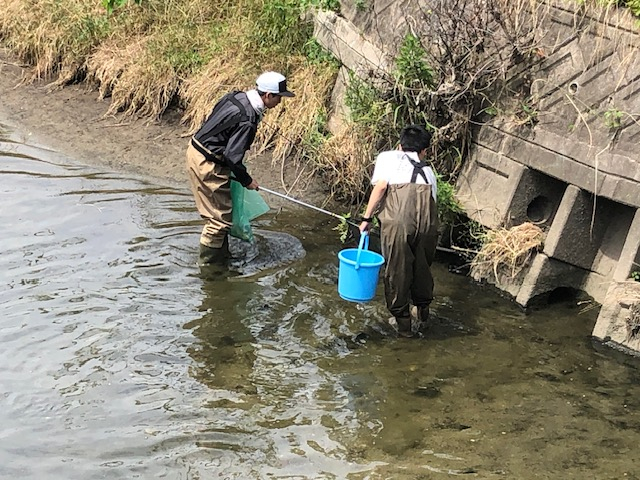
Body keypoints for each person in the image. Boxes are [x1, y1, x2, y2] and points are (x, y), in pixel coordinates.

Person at [186, 71, 295, 266]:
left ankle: (221, 258)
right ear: (268, 95)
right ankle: (209, 270)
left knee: (222, 214)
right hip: (208, 163)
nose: (280, 102)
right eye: (279, 97)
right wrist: (247, 181)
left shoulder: (236, 96)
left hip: (197, 149)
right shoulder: (248, 120)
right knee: (218, 222)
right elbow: (232, 157)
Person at [359, 125, 439, 337]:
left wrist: (367, 218)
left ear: (399, 145)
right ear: (424, 151)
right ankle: (423, 316)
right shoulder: (429, 172)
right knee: (422, 268)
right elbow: (433, 203)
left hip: (398, 222)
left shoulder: (388, 158)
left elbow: (381, 186)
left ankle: (404, 328)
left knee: (397, 270)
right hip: (428, 225)